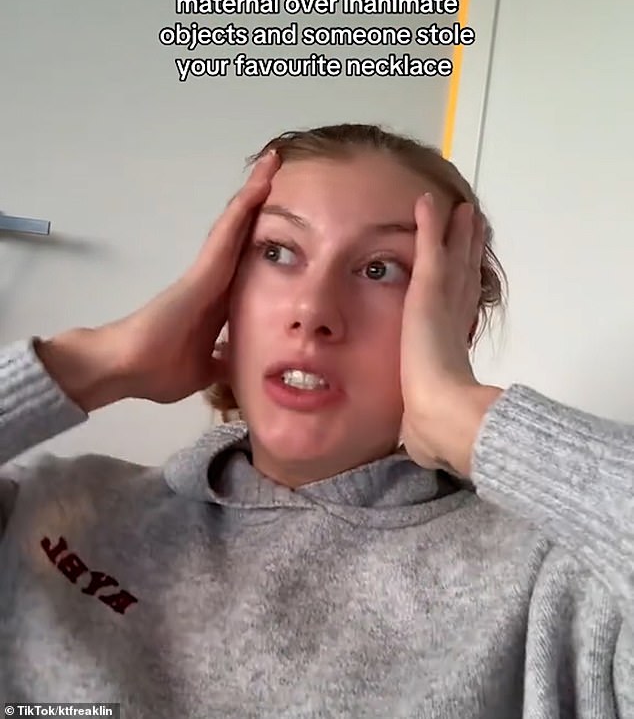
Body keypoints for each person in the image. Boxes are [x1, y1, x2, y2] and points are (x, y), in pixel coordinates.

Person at [0, 123, 631, 719]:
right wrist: (94, 363)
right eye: (277, 252)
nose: (312, 310)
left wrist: (468, 419)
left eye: (381, 269)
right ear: (222, 291)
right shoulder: (54, 508)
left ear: (453, 324)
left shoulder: (559, 589)